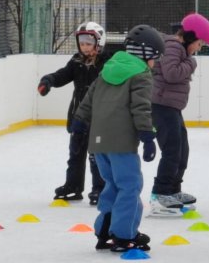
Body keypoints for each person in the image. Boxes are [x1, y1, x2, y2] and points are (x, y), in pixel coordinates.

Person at [73, 24, 164, 252]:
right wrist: (148, 136)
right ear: (146, 54)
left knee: (112, 185)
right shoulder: (141, 73)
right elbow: (141, 108)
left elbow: (88, 99)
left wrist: (78, 124)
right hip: (122, 142)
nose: (155, 63)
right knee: (130, 186)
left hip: (99, 141)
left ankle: (104, 231)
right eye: (155, 58)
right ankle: (124, 235)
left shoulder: (108, 68)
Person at [38, 22, 109, 205]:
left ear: (99, 43)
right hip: (79, 118)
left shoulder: (107, 64)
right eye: (82, 43)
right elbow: (62, 75)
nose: (84, 47)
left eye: (88, 43)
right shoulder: (76, 62)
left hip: (99, 119)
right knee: (75, 154)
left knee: (96, 156)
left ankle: (100, 188)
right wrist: (48, 81)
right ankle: (73, 186)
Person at [149, 13, 209, 216]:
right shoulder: (173, 46)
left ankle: (173, 189)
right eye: (199, 43)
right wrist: (191, 63)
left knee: (182, 149)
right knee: (172, 150)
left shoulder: (179, 49)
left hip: (171, 107)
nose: (198, 49)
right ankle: (160, 192)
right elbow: (171, 73)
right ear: (190, 37)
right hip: (161, 105)